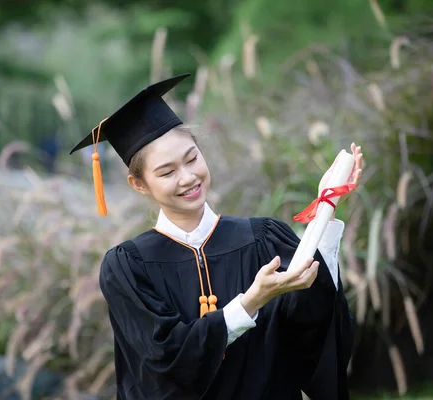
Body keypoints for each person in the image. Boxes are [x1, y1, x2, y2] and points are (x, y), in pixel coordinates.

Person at [69, 73, 363, 400]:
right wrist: (252, 300)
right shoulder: (129, 267)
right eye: (167, 172)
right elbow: (164, 361)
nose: (188, 178)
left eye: (192, 158)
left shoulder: (262, 238)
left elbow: (312, 328)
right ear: (139, 184)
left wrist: (327, 207)